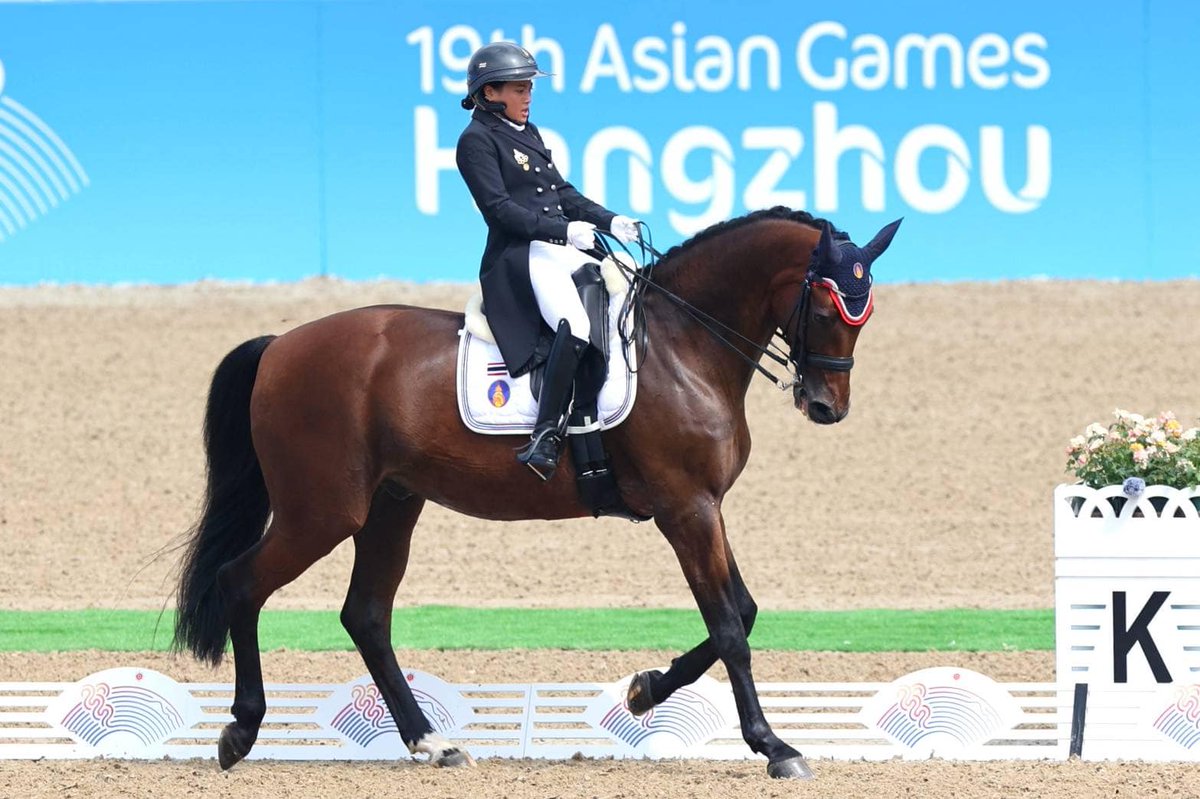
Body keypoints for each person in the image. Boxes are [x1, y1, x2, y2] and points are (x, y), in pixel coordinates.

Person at [455, 42, 640, 481]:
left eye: (528, 87)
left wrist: (609, 220)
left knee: (623, 298)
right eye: (519, 88)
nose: (528, 95)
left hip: (559, 247)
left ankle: (593, 415)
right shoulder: (475, 141)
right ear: (490, 92)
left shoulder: (528, 133)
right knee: (574, 327)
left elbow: (564, 195)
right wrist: (562, 231)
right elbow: (499, 209)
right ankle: (546, 435)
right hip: (520, 255)